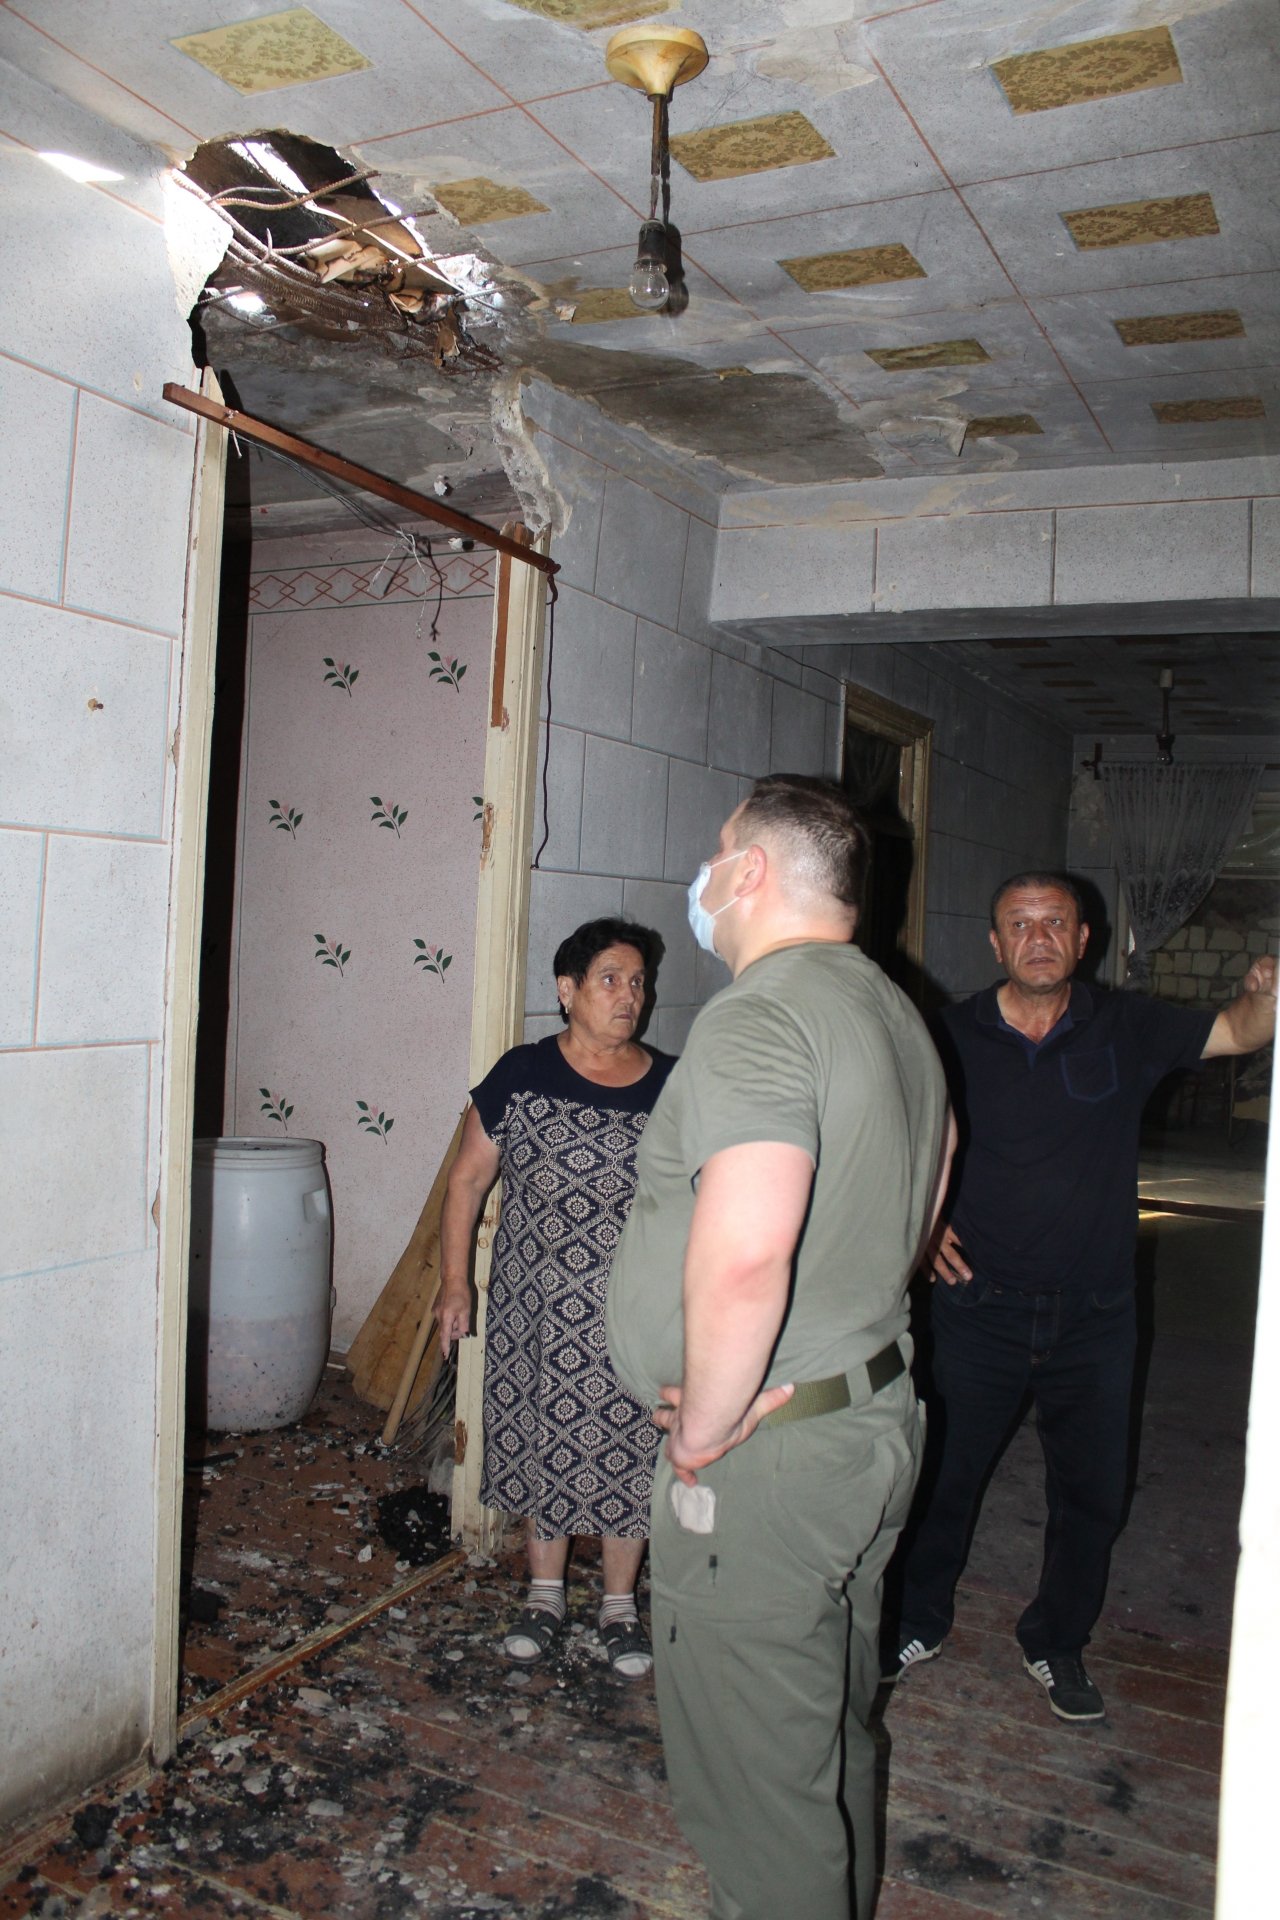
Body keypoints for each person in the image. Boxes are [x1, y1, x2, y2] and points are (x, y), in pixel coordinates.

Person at [607, 775, 952, 1920]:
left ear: (749, 871)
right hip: (869, 1419)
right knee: (821, 1728)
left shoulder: (757, 1014)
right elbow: (936, 1163)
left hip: (768, 1461)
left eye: (717, 852)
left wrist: (702, 1430)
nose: (703, 875)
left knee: (759, 1784)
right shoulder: (895, 1010)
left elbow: (748, 1252)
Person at [884, 872, 1277, 1723]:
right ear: (995, 943)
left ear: (1083, 938)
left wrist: (1264, 994)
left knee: (1092, 1493)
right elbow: (888, 1132)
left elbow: (1240, 1031)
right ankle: (915, 1621)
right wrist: (919, 1222)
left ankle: (1056, 1639)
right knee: (942, 1477)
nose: (1038, 937)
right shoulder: (946, 1035)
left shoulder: (1127, 1024)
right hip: (978, 1309)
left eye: (1055, 922)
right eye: (1020, 923)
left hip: (1096, 1315)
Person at [433, 917, 674, 1677]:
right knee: (544, 1440)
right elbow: (468, 1180)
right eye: (611, 980)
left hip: (632, 1309)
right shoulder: (522, 1072)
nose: (629, 996)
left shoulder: (671, 1083)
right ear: (567, 990)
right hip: (534, 1308)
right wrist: (454, 1281)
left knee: (630, 1449)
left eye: (638, 983)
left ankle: (618, 1607)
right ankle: (543, 1597)